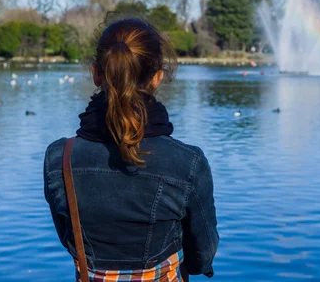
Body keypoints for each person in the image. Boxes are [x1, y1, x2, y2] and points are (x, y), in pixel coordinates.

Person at [44, 18, 219, 281]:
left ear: (96, 73)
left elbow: (69, 239)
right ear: (158, 77)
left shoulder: (60, 158)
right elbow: (202, 257)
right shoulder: (188, 163)